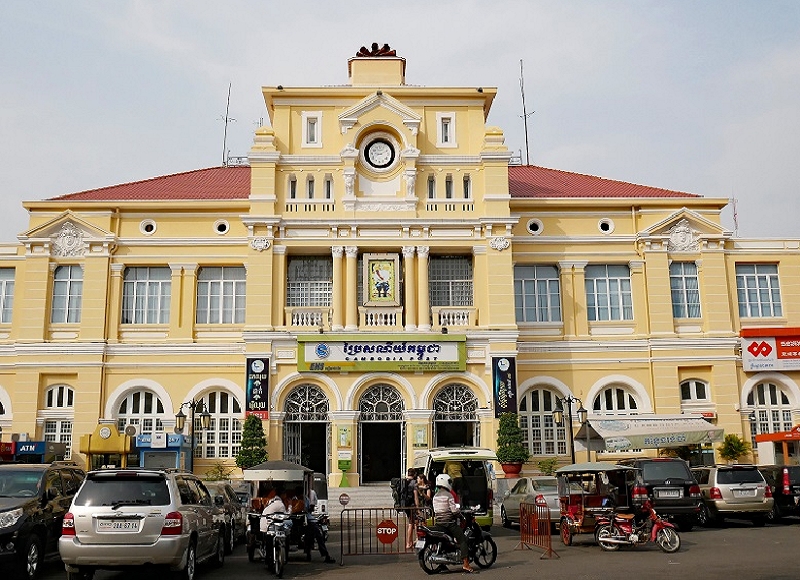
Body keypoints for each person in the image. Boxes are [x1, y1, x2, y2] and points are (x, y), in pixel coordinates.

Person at [432, 473, 474, 573]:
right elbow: (454, 511)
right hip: (449, 523)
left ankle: (442, 564)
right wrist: (462, 517)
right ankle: (466, 564)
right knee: (462, 539)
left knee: (444, 541)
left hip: (439, 523)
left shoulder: (435, 496)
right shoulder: (448, 495)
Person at [401, 468, 418, 550]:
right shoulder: (414, 483)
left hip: (406, 505)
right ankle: (409, 542)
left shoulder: (403, 482)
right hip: (412, 506)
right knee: (412, 524)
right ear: (414, 474)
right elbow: (415, 496)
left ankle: (414, 540)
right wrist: (418, 507)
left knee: (413, 522)